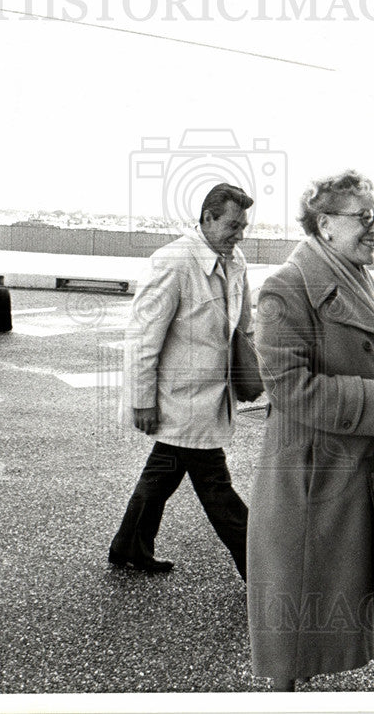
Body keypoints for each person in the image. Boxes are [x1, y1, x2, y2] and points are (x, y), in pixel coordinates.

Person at [247, 170, 374, 692]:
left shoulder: (360, 275)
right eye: (364, 218)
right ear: (325, 224)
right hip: (315, 481)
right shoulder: (287, 286)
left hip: (367, 471)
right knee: (297, 611)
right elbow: (288, 387)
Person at [109, 183, 253, 579]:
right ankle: (264, 570)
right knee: (216, 486)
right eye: (233, 225)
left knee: (162, 473)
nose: (240, 235)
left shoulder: (235, 260)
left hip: (212, 397)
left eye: (244, 226)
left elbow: (244, 328)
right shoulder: (172, 262)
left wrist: (253, 377)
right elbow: (143, 337)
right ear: (207, 218)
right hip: (182, 400)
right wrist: (142, 400)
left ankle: (128, 545)